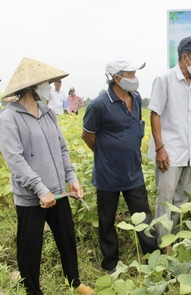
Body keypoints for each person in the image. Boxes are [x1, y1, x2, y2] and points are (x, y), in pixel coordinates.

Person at [0, 57, 94, 294]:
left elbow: (61, 148)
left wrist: (71, 178)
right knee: (30, 248)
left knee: (67, 240)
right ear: (32, 87)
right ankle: (32, 290)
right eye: (46, 84)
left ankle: (75, 283)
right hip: (32, 197)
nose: (49, 87)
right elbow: (15, 160)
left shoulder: (47, 113)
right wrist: (40, 189)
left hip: (58, 192)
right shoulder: (9, 117)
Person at [81, 56, 159, 273]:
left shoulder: (136, 97)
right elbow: (87, 135)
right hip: (108, 175)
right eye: (130, 74)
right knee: (106, 220)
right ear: (117, 78)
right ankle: (110, 264)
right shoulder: (99, 105)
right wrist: (106, 154)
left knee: (144, 216)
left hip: (133, 172)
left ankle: (154, 259)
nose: (135, 79)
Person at [148, 36, 191, 253]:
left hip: (188, 152)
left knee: (182, 198)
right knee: (165, 200)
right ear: (185, 57)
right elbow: (155, 113)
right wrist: (160, 148)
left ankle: (173, 241)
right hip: (169, 152)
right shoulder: (164, 79)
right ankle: (164, 246)